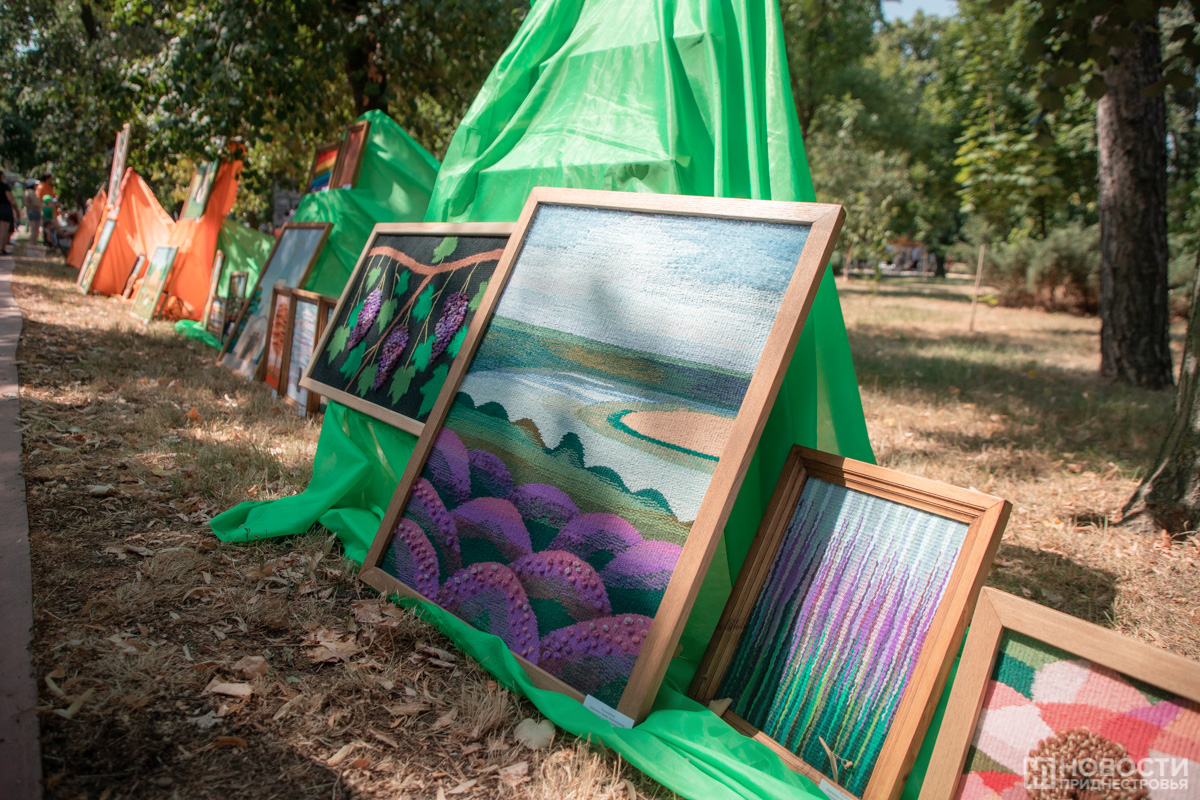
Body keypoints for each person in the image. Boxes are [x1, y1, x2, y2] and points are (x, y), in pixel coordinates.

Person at [23, 180, 43, 249]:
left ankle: (32, 243)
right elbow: (36, 203)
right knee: (34, 229)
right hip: (34, 211)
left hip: (29, 211)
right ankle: (33, 244)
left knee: (32, 228)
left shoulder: (26, 192)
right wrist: (42, 205)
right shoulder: (31, 192)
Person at [0, 176, 14, 255]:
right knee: (4, 230)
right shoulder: (5, 186)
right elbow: (10, 199)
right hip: (4, 208)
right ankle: (2, 249)